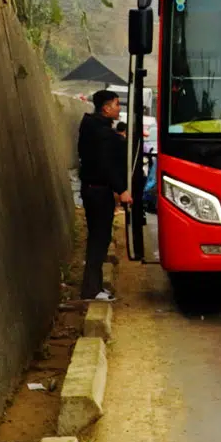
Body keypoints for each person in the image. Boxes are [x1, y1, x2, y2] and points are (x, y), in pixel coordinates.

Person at [77, 89, 130, 301]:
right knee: (99, 239)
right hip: (98, 192)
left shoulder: (93, 128)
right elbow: (106, 165)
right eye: (117, 104)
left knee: (99, 238)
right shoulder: (102, 134)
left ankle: (95, 286)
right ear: (106, 108)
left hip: (93, 190)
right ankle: (91, 289)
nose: (119, 109)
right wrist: (122, 190)